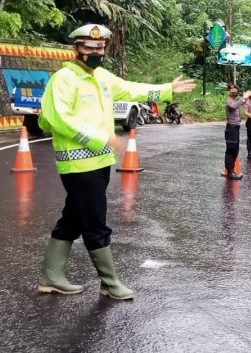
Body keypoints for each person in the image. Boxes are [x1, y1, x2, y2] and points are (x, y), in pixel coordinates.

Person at [37, 23, 195, 300]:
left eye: (100, 47)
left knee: (73, 219)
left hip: (99, 164)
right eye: (89, 46)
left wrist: (168, 88)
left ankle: (51, 277)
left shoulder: (101, 77)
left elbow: (132, 89)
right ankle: (109, 283)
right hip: (78, 166)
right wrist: (104, 139)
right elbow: (56, 119)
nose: (96, 51)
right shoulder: (63, 80)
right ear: (76, 49)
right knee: (95, 222)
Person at [225, 85, 249, 180]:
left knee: (235, 149)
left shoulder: (235, 101)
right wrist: (243, 98)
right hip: (231, 128)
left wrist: (245, 98)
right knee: (231, 150)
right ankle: (230, 172)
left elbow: (240, 103)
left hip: (236, 128)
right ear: (229, 92)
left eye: (235, 90)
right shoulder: (229, 101)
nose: (234, 91)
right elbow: (234, 106)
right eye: (232, 90)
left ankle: (231, 170)